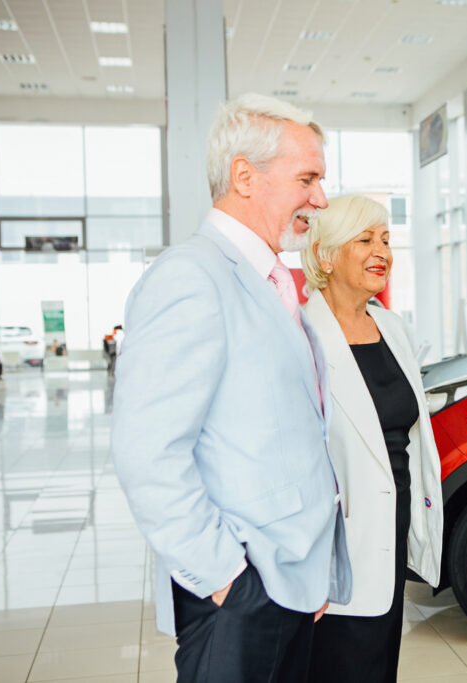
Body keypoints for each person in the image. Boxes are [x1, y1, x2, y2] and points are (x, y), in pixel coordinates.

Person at [111, 93, 351, 683]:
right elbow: (147, 452)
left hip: (287, 580)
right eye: (307, 179)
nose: (320, 199)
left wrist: (306, 572)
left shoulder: (269, 278)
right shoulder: (190, 278)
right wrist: (227, 578)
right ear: (245, 175)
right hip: (242, 592)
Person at [300, 194, 443, 682]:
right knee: (338, 665)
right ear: (325, 255)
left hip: (392, 532)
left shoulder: (391, 327)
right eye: (364, 239)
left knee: (380, 664)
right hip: (334, 544)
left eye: (385, 239)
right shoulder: (301, 334)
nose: (381, 249)